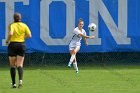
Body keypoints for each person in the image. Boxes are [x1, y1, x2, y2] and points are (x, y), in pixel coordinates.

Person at [5, 12, 32, 88]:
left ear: (14, 18)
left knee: (12, 65)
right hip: (21, 45)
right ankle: (20, 82)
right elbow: (29, 35)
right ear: (20, 18)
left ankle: (14, 84)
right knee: (20, 65)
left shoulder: (12, 25)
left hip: (13, 45)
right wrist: (22, 37)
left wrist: (7, 40)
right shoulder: (24, 25)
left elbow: (11, 33)